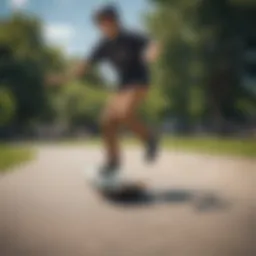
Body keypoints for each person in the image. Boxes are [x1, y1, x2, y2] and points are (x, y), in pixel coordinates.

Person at [48, 5, 160, 176]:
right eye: (99, 23)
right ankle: (113, 162)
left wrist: (151, 54)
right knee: (106, 121)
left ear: (115, 20)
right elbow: (83, 67)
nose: (103, 26)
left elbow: (152, 43)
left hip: (139, 83)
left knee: (123, 112)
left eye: (106, 21)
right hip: (122, 87)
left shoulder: (131, 36)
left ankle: (149, 139)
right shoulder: (102, 45)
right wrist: (63, 78)